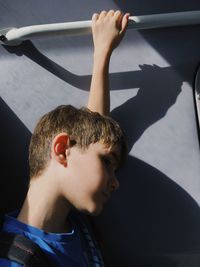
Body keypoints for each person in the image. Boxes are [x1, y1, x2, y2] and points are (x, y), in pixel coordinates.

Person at [0, 10, 130, 266]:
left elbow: (93, 138)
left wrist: (102, 53)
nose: (116, 183)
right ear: (61, 150)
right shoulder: (16, 260)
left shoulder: (71, 223)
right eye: (107, 162)